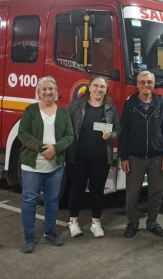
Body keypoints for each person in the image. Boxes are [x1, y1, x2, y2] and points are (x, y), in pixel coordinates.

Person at [18, 76, 74, 253]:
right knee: (29, 201)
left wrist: (56, 149)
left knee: (52, 200)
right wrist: (44, 149)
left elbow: (70, 136)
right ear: (39, 92)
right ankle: (29, 237)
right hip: (32, 167)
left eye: (51, 89)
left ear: (56, 92)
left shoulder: (63, 112)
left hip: (55, 167)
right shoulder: (30, 111)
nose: (48, 92)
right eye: (44, 89)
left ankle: (50, 232)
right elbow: (23, 134)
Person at [66, 75, 121, 238]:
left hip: (101, 160)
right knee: (76, 190)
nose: (99, 89)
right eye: (96, 86)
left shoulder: (111, 108)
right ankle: (73, 222)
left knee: (97, 192)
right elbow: (66, 128)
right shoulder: (76, 105)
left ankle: (95, 223)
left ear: (106, 90)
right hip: (78, 158)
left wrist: (110, 136)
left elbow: (118, 130)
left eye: (102, 87)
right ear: (89, 87)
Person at [119, 71, 163, 238]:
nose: (145, 85)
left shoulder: (160, 103)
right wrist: (124, 157)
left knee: (157, 191)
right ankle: (132, 223)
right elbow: (124, 133)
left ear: (153, 84)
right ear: (137, 85)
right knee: (132, 193)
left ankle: (152, 222)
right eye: (142, 82)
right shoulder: (130, 104)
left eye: (149, 82)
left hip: (157, 157)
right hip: (135, 157)